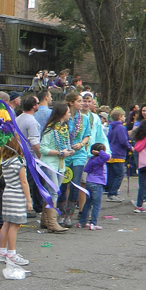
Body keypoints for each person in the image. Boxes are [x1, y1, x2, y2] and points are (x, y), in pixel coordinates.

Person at [0, 136, 31, 266]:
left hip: (7, 194)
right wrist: (28, 200)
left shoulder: (4, 162)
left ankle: (2, 252)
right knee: (14, 226)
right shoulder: (18, 163)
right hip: (17, 196)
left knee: (6, 224)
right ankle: (12, 254)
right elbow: (24, 182)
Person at [39, 103, 72, 233]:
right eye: (68, 112)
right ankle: (52, 222)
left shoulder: (62, 129)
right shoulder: (50, 129)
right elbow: (43, 148)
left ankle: (45, 219)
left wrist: (68, 151)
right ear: (63, 113)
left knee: (52, 191)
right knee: (53, 192)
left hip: (59, 164)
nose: (70, 114)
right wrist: (59, 153)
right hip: (50, 164)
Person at [57, 92, 89, 227]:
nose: (82, 103)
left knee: (75, 183)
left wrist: (81, 144)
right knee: (63, 184)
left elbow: (87, 135)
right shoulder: (64, 117)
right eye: (79, 101)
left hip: (78, 154)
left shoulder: (85, 119)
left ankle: (70, 215)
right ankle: (61, 213)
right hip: (65, 153)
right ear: (71, 103)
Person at [16, 95, 43, 216]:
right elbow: (34, 142)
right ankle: (29, 206)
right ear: (34, 106)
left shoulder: (19, 118)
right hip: (30, 156)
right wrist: (40, 155)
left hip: (19, 153)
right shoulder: (32, 121)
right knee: (30, 183)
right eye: (37, 103)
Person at [78, 143, 109, 229]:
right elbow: (107, 157)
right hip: (97, 183)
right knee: (96, 204)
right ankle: (93, 223)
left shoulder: (91, 159)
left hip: (89, 182)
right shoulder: (100, 159)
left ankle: (82, 222)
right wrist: (100, 152)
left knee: (87, 203)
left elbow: (86, 169)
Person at [106, 107, 129, 202]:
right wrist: (129, 147)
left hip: (111, 153)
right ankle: (113, 193)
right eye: (123, 116)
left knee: (111, 174)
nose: (124, 118)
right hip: (118, 154)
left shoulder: (111, 127)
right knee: (119, 174)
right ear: (120, 117)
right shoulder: (120, 127)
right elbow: (123, 141)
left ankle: (109, 192)